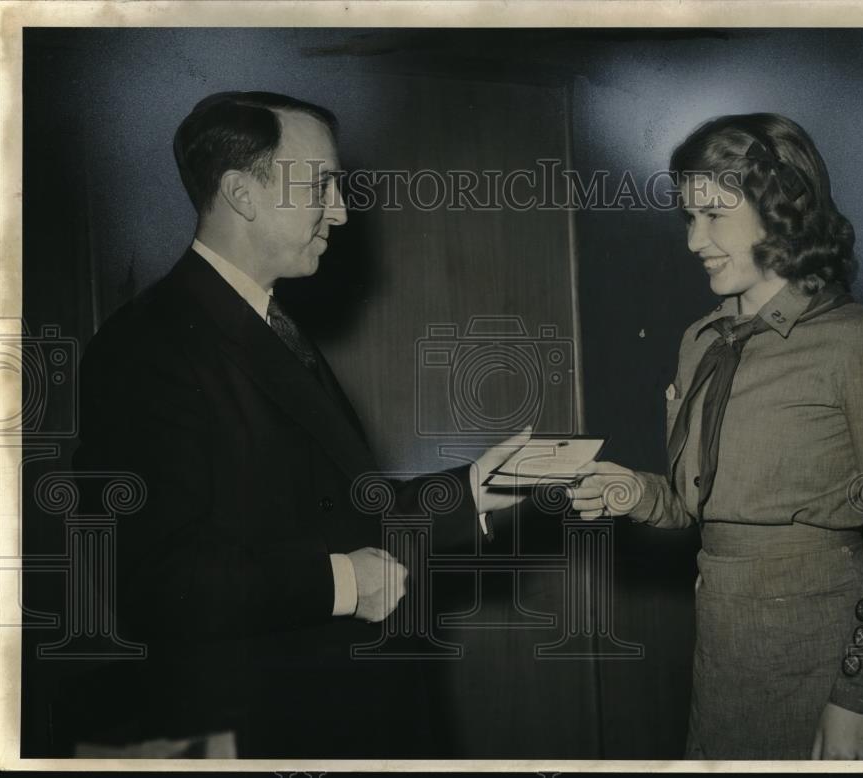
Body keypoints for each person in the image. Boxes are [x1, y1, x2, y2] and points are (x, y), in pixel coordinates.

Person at [67, 91, 527, 757]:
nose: (340, 210)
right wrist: (343, 583)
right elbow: (158, 583)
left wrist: (475, 488)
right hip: (266, 729)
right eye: (320, 185)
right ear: (241, 194)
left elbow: (338, 508)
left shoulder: (268, 326)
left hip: (334, 713)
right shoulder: (147, 346)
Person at [569, 113, 863, 760]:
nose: (693, 241)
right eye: (688, 218)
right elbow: (696, 506)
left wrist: (860, 696)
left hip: (825, 655)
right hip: (724, 659)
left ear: (781, 207)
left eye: (713, 216)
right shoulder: (700, 342)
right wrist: (638, 494)